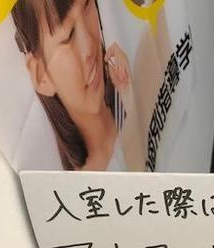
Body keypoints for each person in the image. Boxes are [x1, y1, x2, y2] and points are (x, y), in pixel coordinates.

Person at [11, 0, 134, 170]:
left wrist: (130, 98)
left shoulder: (142, 74)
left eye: (87, 5)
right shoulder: (84, 184)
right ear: (41, 75)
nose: (89, 48)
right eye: (68, 36)